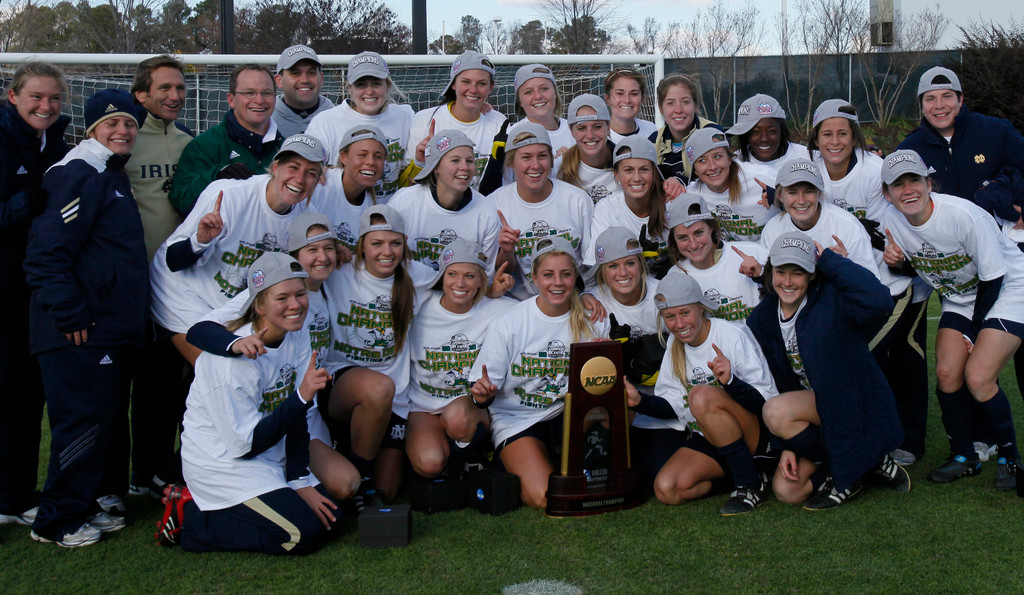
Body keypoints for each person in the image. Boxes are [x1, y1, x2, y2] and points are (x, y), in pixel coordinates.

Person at [24, 89, 148, 547]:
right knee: (81, 421)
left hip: (108, 328)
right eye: (111, 124)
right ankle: (56, 520)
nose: (122, 131)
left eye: (130, 124)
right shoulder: (78, 173)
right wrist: (71, 312)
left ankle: (86, 503)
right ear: (92, 128)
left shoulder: (109, 173)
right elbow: (47, 254)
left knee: (104, 420)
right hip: (78, 329)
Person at [183, 214, 361, 502]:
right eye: (311, 250)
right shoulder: (272, 289)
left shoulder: (331, 286)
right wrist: (237, 344)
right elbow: (198, 331)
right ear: (295, 255)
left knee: (344, 486)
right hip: (262, 414)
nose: (322, 257)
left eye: (329, 249)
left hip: (299, 407)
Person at [881, 150, 1023, 490]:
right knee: (947, 373)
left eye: (914, 180)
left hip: (1007, 289)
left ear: (929, 183)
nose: (907, 190)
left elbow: (993, 277)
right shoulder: (893, 219)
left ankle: (1010, 459)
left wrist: (974, 333)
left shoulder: (961, 215)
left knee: (977, 376)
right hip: (963, 296)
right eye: (897, 185)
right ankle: (964, 456)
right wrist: (896, 263)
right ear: (887, 193)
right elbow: (923, 265)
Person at [178, 252, 338, 554]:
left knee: (333, 519)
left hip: (267, 452)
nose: (295, 305)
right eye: (282, 298)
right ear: (258, 305)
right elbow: (245, 445)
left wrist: (299, 479)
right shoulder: (233, 362)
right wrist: (302, 396)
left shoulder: (298, 332)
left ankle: (268, 499)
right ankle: (195, 523)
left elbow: (297, 417)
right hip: (225, 463)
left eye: (300, 295)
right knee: (300, 535)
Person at [746, 232, 907, 510]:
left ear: (812, 275)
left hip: (852, 402)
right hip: (812, 413)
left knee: (776, 410)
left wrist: (832, 261)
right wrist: (787, 446)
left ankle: (848, 473)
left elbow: (881, 301)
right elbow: (778, 380)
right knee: (787, 490)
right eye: (781, 272)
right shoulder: (762, 318)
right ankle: (868, 462)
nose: (787, 282)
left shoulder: (834, 299)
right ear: (770, 271)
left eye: (798, 273)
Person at [809, 99, 928, 466]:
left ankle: (908, 441)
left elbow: (899, 216)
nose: (835, 141)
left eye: (843, 133)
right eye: (827, 133)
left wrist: (902, 259)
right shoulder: (808, 168)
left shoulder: (875, 170)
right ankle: (869, 432)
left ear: (855, 135)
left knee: (903, 358)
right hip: (847, 283)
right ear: (815, 138)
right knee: (865, 359)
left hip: (894, 282)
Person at [150, 134, 324, 365]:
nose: (300, 179)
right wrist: (200, 241)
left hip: (230, 303)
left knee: (259, 366)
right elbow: (174, 261)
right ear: (275, 167)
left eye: (311, 173)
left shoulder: (305, 216)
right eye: (293, 167)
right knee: (216, 369)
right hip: (182, 294)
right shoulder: (229, 195)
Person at [470, 237, 609, 509]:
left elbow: (600, 389)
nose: (557, 282)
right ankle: (515, 459)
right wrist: (482, 394)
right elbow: (483, 394)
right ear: (534, 278)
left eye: (565, 274)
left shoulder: (593, 320)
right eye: (548, 274)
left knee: (619, 408)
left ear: (575, 277)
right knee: (547, 497)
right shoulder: (508, 323)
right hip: (519, 418)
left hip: (568, 415)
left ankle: (576, 463)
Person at [639, 269, 778, 515]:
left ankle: (749, 485)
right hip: (710, 437)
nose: (679, 324)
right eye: (669, 316)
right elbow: (674, 405)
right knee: (666, 488)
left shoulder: (730, 334)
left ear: (701, 308)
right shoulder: (674, 343)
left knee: (700, 396)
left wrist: (732, 382)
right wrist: (637, 401)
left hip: (752, 432)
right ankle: (745, 474)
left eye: (685, 313)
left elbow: (767, 402)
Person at [322, 205, 436, 503]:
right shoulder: (339, 273)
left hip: (394, 398)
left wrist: (491, 289)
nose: (387, 252)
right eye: (376, 243)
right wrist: (334, 248)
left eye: (395, 243)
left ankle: (358, 475)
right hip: (343, 384)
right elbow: (301, 261)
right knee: (377, 387)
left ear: (405, 243)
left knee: (386, 493)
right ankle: (358, 477)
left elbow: (462, 283)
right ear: (361, 245)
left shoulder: (419, 276)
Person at [0, 62, 70, 528]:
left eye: (54, 99)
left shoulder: (57, 145)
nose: (45, 106)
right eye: (36, 98)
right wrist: (26, 203)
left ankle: (15, 494)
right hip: (4, 287)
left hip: (37, 288)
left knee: (28, 394)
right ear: (13, 97)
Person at [125, 54, 197, 501]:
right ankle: (141, 471)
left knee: (178, 381)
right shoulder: (125, 140)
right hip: (135, 283)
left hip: (181, 284)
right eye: (164, 88)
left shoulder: (190, 143)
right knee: (145, 384)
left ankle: (167, 468)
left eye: (179, 89)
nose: (174, 96)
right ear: (141, 94)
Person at [406, 238, 515, 478]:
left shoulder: (502, 309)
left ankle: (473, 455)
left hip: (468, 407)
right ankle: (457, 459)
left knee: (456, 418)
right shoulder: (419, 307)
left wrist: (584, 298)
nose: (459, 283)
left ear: (481, 281)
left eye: (469, 276)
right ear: (441, 278)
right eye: (452, 274)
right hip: (424, 406)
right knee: (430, 464)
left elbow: (541, 311)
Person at [587, 228, 670, 484]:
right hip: (619, 406)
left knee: (655, 476)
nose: (623, 273)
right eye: (613, 266)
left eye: (630, 263)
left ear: (641, 264)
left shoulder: (663, 294)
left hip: (663, 404)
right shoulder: (592, 304)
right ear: (602, 271)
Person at [489, 123, 594, 299]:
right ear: (511, 162)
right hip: (519, 305)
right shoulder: (495, 204)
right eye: (526, 157)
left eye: (542, 156)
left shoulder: (577, 200)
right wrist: (506, 251)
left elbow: (591, 265)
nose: (535, 165)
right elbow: (497, 275)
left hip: (573, 299)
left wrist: (586, 295)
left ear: (552, 159)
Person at [170, 64, 283, 215]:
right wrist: (216, 176)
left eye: (267, 93)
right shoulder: (204, 145)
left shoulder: (286, 148)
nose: (259, 100)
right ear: (231, 99)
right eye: (249, 93)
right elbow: (181, 201)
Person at [388, 129, 501, 275]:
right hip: (409, 290)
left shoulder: (486, 213)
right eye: (455, 160)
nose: (465, 167)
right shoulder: (404, 202)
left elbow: (485, 277)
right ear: (435, 167)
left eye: (470, 161)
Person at [306, 51, 413, 202]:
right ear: (349, 87)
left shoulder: (406, 116)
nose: (369, 92)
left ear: (387, 85)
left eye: (376, 83)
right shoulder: (325, 122)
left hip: (389, 215)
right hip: (342, 213)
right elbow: (308, 167)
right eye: (361, 84)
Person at [759, 158, 879, 278]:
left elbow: (873, 288)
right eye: (792, 192)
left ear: (819, 193)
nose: (801, 201)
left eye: (809, 191)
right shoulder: (772, 230)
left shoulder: (849, 226)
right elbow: (769, 283)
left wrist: (846, 266)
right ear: (780, 196)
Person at [407, 51, 504, 189]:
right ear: (453, 84)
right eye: (466, 82)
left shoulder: (499, 123)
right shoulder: (424, 120)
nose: (473, 90)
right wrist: (419, 163)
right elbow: (405, 186)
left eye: (481, 84)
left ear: (491, 88)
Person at [667, 194, 766, 322]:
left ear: (712, 228)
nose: (693, 244)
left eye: (698, 233)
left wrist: (763, 276)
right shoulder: (675, 277)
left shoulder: (754, 252)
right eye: (682, 237)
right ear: (674, 240)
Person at [584, 136, 671, 278]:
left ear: (654, 173)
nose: (637, 178)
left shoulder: (670, 203)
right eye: (628, 170)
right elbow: (596, 266)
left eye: (644, 169)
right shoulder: (607, 208)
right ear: (617, 175)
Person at [479, 63, 573, 194]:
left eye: (544, 88)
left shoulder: (575, 130)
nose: (538, 96)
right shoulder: (511, 135)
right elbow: (501, 189)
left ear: (555, 93)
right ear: (520, 102)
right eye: (528, 92)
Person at [686, 127, 778, 243]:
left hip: (771, 255)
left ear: (729, 159)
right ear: (695, 171)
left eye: (717, 156)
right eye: (702, 161)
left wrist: (782, 197)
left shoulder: (764, 178)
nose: (712, 167)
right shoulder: (693, 194)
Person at [308, 125, 385, 255]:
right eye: (362, 155)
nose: (371, 162)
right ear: (343, 157)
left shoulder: (372, 206)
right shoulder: (320, 184)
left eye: (378, 156)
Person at [649, 74, 718, 195]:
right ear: (661, 108)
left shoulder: (712, 133)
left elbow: (719, 177)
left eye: (685, 102)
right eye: (670, 103)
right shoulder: (654, 141)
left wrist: (680, 181)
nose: (678, 110)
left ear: (696, 106)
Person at [557, 94, 617, 203]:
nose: (590, 135)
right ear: (572, 131)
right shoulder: (559, 169)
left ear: (608, 127)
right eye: (581, 128)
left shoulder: (626, 163)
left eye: (597, 127)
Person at [727, 93, 810, 172]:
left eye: (772, 131)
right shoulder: (734, 164)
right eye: (755, 132)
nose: (764, 139)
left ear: (781, 131)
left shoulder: (807, 157)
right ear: (745, 135)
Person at [271, 45, 334, 138]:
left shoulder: (338, 119)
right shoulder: (264, 119)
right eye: (295, 73)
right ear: (279, 80)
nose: (304, 80)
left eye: (311, 73)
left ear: (321, 78)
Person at [604, 68, 657, 144]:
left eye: (634, 94)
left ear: (642, 99)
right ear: (607, 99)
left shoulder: (651, 131)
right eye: (620, 93)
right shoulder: (600, 136)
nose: (627, 100)